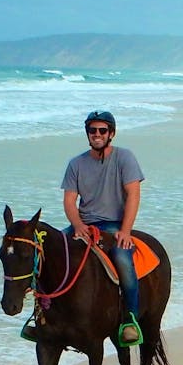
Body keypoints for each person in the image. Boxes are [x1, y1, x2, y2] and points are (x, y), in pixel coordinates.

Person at [61, 110, 146, 344]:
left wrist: (126, 231)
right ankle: (41, 316)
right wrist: (77, 225)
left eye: (102, 130)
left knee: (122, 258)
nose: (97, 135)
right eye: (92, 130)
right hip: (84, 224)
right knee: (51, 250)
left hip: (114, 225)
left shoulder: (125, 158)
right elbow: (69, 201)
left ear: (112, 134)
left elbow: (133, 195)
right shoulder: (76, 164)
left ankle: (130, 319)